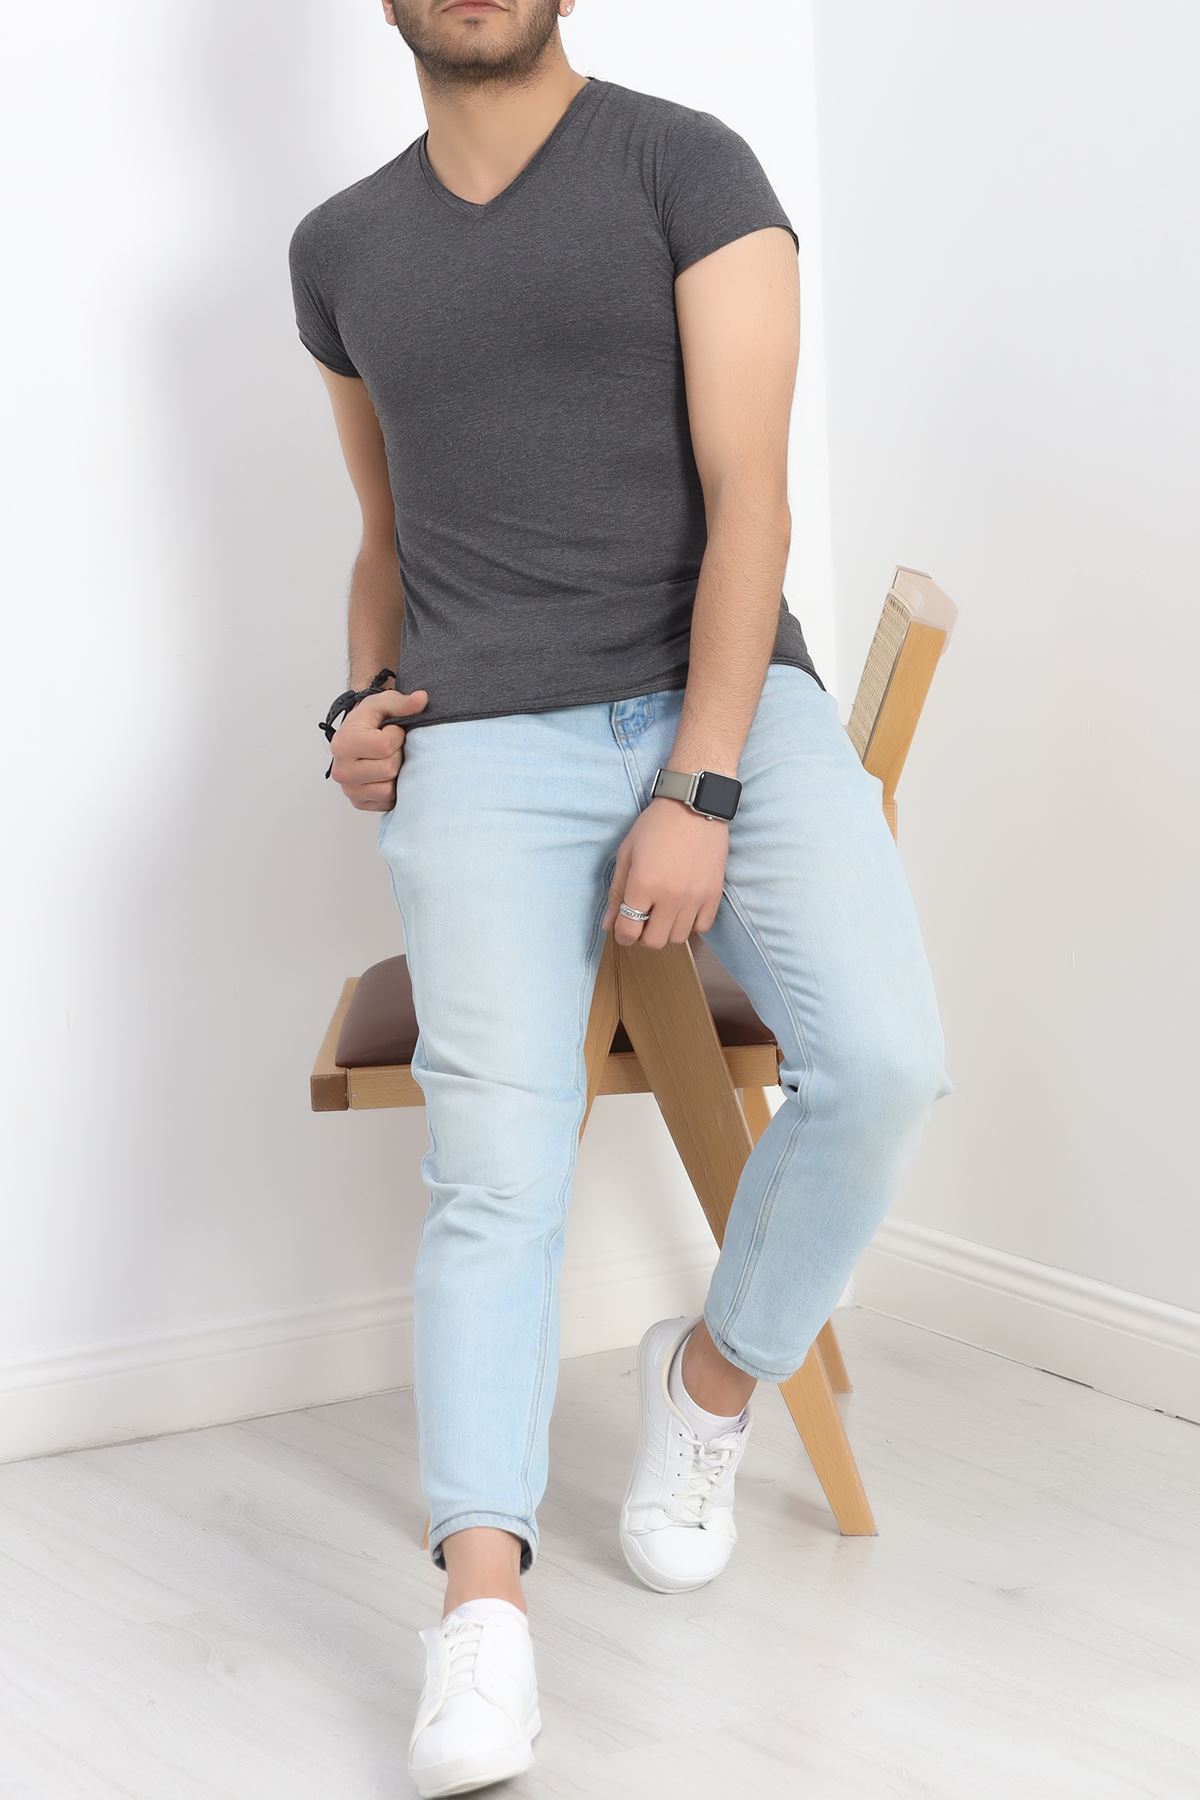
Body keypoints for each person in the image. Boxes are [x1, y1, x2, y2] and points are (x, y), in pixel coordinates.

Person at [289, 3, 953, 1792]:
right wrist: (359, 705)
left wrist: (698, 785)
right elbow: (388, 533)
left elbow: (752, 508)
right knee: (495, 1164)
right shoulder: (341, 248)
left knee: (886, 1065)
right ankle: (480, 1616)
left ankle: (711, 1380)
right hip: (483, 740)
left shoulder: (685, 166)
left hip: (721, 705)